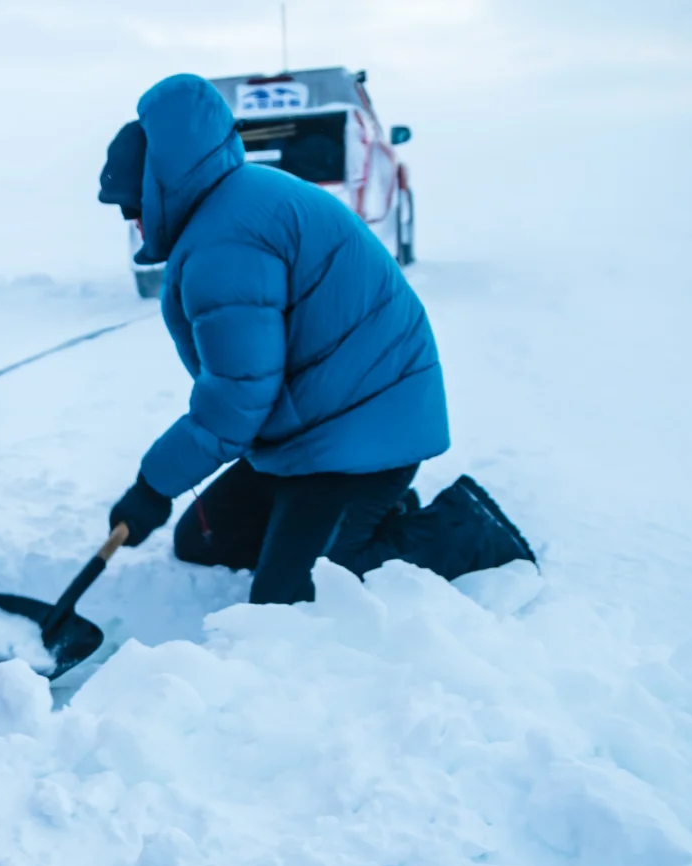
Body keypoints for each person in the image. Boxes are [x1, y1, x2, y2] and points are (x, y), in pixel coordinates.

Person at [96, 74, 533, 605]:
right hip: (309, 432)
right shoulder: (231, 206)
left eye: (130, 205)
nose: (132, 221)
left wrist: (152, 486)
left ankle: (463, 531)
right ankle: (352, 520)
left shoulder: (225, 242)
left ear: (159, 185)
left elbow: (238, 397)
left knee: (295, 594)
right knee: (204, 540)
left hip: (361, 433)